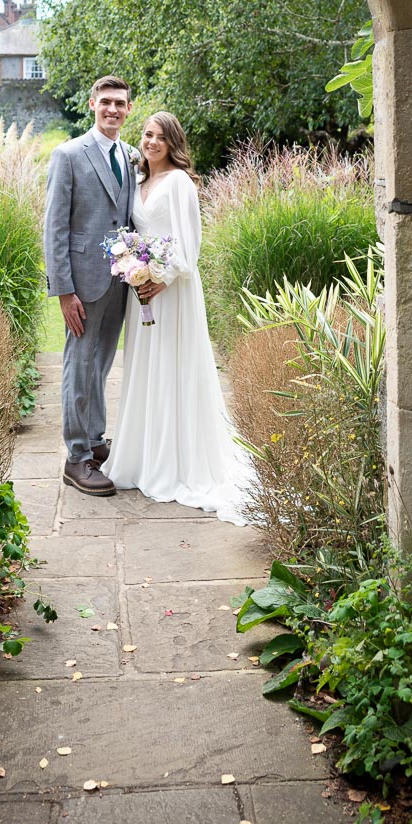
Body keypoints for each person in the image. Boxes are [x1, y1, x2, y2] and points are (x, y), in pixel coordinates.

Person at [105, 112, 250, 525]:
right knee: (147, 367)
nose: (151, 142)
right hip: (142, 288)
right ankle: (144, 456)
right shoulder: (138, 181)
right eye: (147, 135)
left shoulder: (181, 183)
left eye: (160, 137)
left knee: (175, 366)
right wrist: (133, 268)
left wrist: (161, 280)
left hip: (173, 289)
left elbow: (191, 243)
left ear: (173, 143)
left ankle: (177, 462)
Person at [43, 75, 135, 497]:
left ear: (129, 109)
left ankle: (96, 440)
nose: (113, 109)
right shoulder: (68, 155)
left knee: (99, 365)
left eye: (120, 103)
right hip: (82, 281)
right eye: (106, 102)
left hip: (120, 279)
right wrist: (64, 290)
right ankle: (76, 457)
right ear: (92, 104)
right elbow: (55, 227)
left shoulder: (131, 156)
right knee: (79, 365)